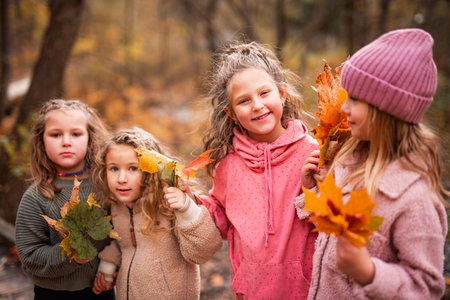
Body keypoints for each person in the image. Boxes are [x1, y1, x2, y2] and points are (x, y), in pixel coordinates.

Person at [301, 28, 448, 299]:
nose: (344, 108)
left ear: (387, 111)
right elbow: (328, 226)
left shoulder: (414, 201)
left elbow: (428, 288)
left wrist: (369, 273)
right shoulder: (347, 160)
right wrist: (312, 192)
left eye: (355, 100)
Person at [196, 41, 319, 299]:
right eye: (244, 100)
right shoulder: (228, 165)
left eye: (264, 93)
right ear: (230, 112)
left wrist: (311, 189)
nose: (257, 105)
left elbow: (326, 219)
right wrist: (190, 203)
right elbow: (221, 217)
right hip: (251, 290)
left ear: (282, 94)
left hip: (304, 289)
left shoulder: (310, 153)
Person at [91, 127, 222, 299]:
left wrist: (187, 209)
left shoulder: (168, 204)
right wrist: (108, 266)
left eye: (132, 168)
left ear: (151, 170)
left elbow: (203, 251)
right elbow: (124, 244)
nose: (121, 178)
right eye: (114, 169)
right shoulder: (117, 207)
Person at [15, 99, 114, 300]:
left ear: (90, 138)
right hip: (52, 293)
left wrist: (111, 268)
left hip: (100, 289)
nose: (66, 141)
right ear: (41, 140)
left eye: (76, 134)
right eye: (56, 134)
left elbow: (121, 236)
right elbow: (30, 255)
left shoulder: (107, 188)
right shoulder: (36, 197)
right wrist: (71, 256)